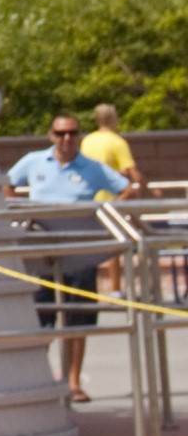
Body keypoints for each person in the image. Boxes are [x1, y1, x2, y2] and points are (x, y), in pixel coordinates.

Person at [6, 113, 129, 403]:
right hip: (44, 252)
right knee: (41, 318)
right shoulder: (34, 161)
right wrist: (20, 209)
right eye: (61, 134)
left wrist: (104, 214)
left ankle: (73, 381)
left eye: (72, 133)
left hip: (79, 251)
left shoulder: (92, 167)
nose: (67, 139)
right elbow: (7, 183)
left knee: (78, 319)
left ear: (79, 135)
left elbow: (126, 188)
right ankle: (39, 381)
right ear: (52, 136)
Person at [84, 104, 144, 297]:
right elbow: (133, 172)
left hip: (89, 199)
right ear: (114, 119)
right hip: (113, 201)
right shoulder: (117, 142)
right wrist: (147, 188)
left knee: (89, 246)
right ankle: (115, 288)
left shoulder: (87, 141)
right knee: (116, 247)